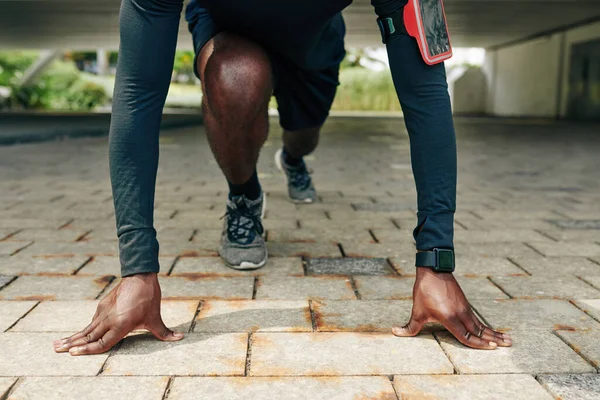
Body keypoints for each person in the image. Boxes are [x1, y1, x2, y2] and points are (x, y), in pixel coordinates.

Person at [53, 0, 512, 356]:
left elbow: (427, 93)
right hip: (229, 37)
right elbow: (137, 94)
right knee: (236, 76)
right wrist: (137, 269)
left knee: (303, 138)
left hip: (315, 47)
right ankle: (245, 195)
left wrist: (436, 263)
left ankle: (293, 161)